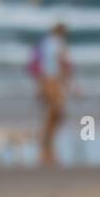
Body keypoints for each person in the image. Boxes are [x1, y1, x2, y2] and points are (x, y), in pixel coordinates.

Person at [29, 22, 72, 166]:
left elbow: (39, 65)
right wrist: (67, 84)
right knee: (57, 114)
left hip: (45, 81)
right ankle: (46, 146)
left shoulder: (44, 43)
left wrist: (40, 86)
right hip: (53, 82)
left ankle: (46, 148)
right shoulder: (58, 44)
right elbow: (61, 65)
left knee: (52, 114)